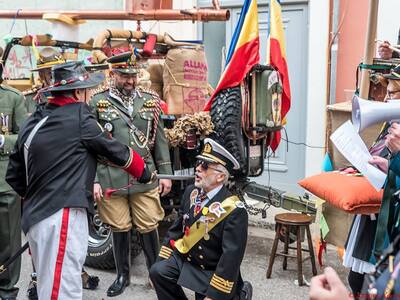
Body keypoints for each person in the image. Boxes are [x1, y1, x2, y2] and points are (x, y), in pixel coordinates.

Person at [5, 61, 152, 300]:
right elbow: (113, 149)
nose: (89, 94)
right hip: (61, 215)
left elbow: (14, 175)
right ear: (77, 92)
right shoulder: (80, 116)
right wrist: (143, 170)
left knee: (47, 285)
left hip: (36, 217)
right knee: (62, 290)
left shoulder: (35, 118)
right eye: (86, 89)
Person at [90, 50, 172, 297]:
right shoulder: (96, 101)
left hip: (144, 175)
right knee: (119, 226)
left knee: (149, 223)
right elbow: (90, 145)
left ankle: (155, 275)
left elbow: (160, 140)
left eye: (134, 76)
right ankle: (122, 275)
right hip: (110, 176)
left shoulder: (150, 100)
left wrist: (165, 173)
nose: (131, 81)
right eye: (125, 76)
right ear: (112, 73)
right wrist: (93, 180)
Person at [22, 48, 100, 299]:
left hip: (41, 204)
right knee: (59, 286)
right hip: (55, 204)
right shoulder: (41, 108)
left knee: (54, 279)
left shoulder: (50, 112)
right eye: (44, 72)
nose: (46, 77)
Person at [149, 138, 252, 300]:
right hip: (188, 261)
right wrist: (159, 262)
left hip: (211, 270)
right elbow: (175, 232)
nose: (197, 169)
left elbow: (231, 259)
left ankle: (240, 294)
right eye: (198, 163)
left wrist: (214, 295)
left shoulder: (234, 210)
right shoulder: (191, 192)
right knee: (157, 272)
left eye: (204, 166)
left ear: (219, 177)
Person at [341, 65, 400, 299]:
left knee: (372, 282)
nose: (385, 99)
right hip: (380, 214)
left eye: (392, 93)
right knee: (358, 279)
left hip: (386, 218)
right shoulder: (391, 126)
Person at [0, 46, 28, 300]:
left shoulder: (12, 98)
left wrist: (3, 142)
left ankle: (7, 291)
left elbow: (25, 137)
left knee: (9, 243)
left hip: (4, 184)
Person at [23, 47, 65, 114]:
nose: (56, 77)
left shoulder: (76, 95)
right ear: (41, 75)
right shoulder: (28, 99)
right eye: (50, 73)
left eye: (59, 72)